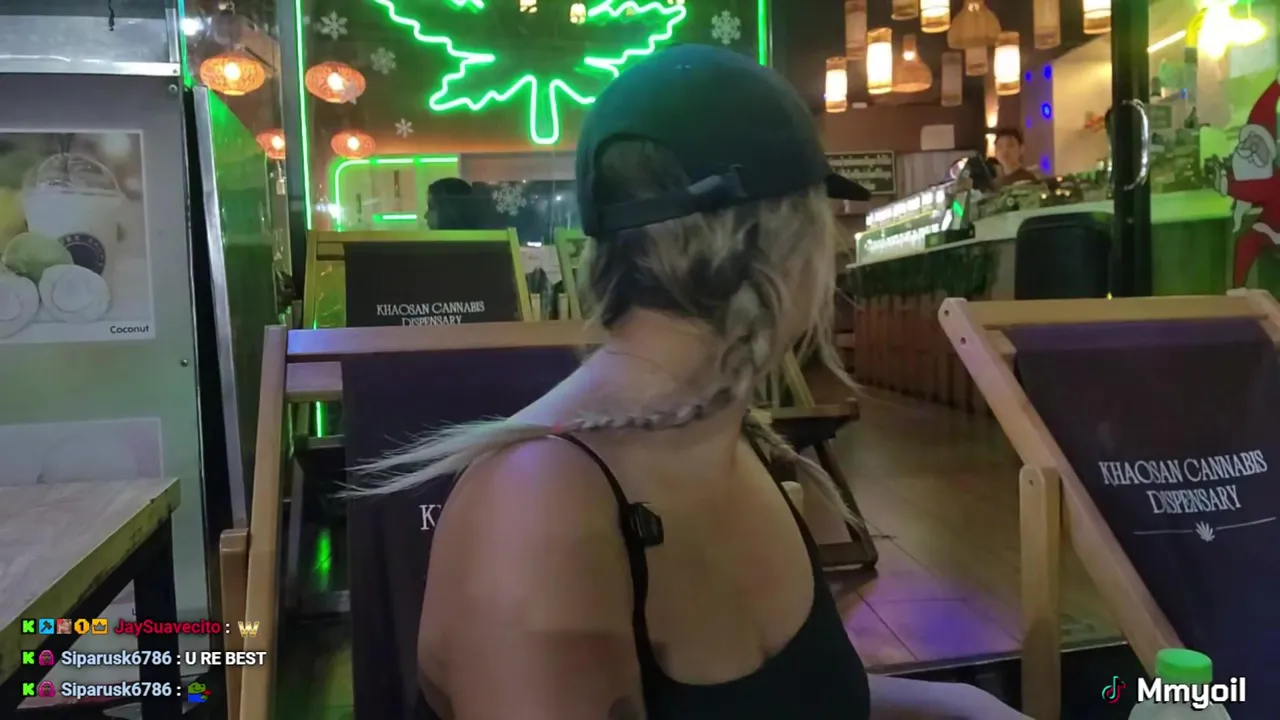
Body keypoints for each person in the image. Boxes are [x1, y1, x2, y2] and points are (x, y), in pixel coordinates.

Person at [360, 45, 1030, 720]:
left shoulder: (734, 438)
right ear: (781, 240)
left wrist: (958, 705)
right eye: (824, 218)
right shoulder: (541, 505)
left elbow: (777, 702)